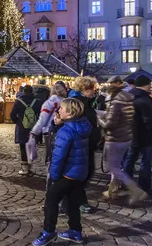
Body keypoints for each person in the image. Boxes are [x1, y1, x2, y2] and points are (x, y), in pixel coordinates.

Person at [32, 98, 90, 246]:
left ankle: (48, 232)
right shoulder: (82, 125)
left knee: (51, 200)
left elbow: (58, 156)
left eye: (62, 109)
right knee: (72, 202)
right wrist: (59, 124)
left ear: (70, 113)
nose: (58, 111)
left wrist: (54, 176)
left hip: (67, 173)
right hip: (79, 171)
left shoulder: (66, 130)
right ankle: (76, 232)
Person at [97, 83, 148, 204]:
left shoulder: (115, 103)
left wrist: (98, 119)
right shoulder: (127, 100)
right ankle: (112, 190)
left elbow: (110, 124)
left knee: (114, 168)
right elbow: (118, 117)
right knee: (117, 165)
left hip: (115, 139)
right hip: (126, 137)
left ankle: (135, 190)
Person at [68, 76, 99, 214]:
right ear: (84, 89)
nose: (94, 91)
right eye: (92, 89)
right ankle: (77, 200)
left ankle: (73, 199)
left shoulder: (88, 102)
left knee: (87, 171)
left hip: (88, 144)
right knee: (83, 173)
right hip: (81, 144)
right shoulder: (78, 103)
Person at [123, 75, 152, 194]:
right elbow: (150, 120)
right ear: (147, 84)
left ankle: (126, 183)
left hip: (129, 133)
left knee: (130, 159)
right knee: (145, 161)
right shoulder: (144, 99)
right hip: (144, 134)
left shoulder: (128, 97)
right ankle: (144, 185)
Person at [10, 85, 42, 176]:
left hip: (22, 128)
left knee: (23, 147)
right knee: (32, 147)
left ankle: (24, 169)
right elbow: (40, 115)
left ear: (23, 91)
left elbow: (12, 115)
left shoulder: (18, 101)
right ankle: (30, 167)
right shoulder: (37, 102)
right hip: (33, 128)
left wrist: (18, 122)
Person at [30, 83, 67, 150]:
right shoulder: (66, 102)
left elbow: (43, 119)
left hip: (49, 130)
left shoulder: (49, 102)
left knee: (51, 153)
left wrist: (34, 131)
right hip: (64, 130)